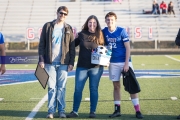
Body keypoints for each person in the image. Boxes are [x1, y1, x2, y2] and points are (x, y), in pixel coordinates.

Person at [102, 12, 143, 119]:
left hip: (125, 62)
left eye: (111, 20)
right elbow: (103, 47)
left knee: (131, 86)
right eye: (108, 20)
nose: (109, 22)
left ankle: (138, 111)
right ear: (105, 21)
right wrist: (105, 61)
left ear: (115, 21)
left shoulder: (121, 31)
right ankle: (117, 110)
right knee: (116, 86)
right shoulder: (104, 31)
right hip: (113, 63)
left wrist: (126, 64)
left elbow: (128, 48)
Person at [38, 6, 75, 119]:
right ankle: (51, 111)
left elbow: (72, 47)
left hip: (64, 63)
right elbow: (42, 44)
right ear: (57, 13)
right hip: (50, 62)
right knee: (51, 87)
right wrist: (41, 59)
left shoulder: (68, 28)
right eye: (61, 13)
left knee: (61, 88)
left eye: (65, 14)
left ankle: (61, 111)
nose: (62, 15)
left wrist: (71, 62)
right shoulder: (48, 26)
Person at [66, 15, 104, 118]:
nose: (92, 24)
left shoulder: (101, 34)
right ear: (87, 23)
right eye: (90, 22)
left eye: (94, 23)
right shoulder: (82, 34)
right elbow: (71, 45)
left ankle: (93, 111)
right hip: (82, 66)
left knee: (93, 89)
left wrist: (106, 60)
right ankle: (75, 111)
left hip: (96, 68)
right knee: (78, 89)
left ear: (97, 24)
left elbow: (106, 50)